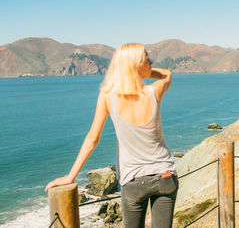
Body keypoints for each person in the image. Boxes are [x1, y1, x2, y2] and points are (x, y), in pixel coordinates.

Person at [46, 43, 178, 228]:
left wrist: (71, 176)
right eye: (147, 60)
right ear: (135, 65)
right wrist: (146, 73)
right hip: (165, 176)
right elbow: (167, 74)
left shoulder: (108, 96)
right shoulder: (154, 92)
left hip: (133, 181)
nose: (152, 63)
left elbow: (93, 138)